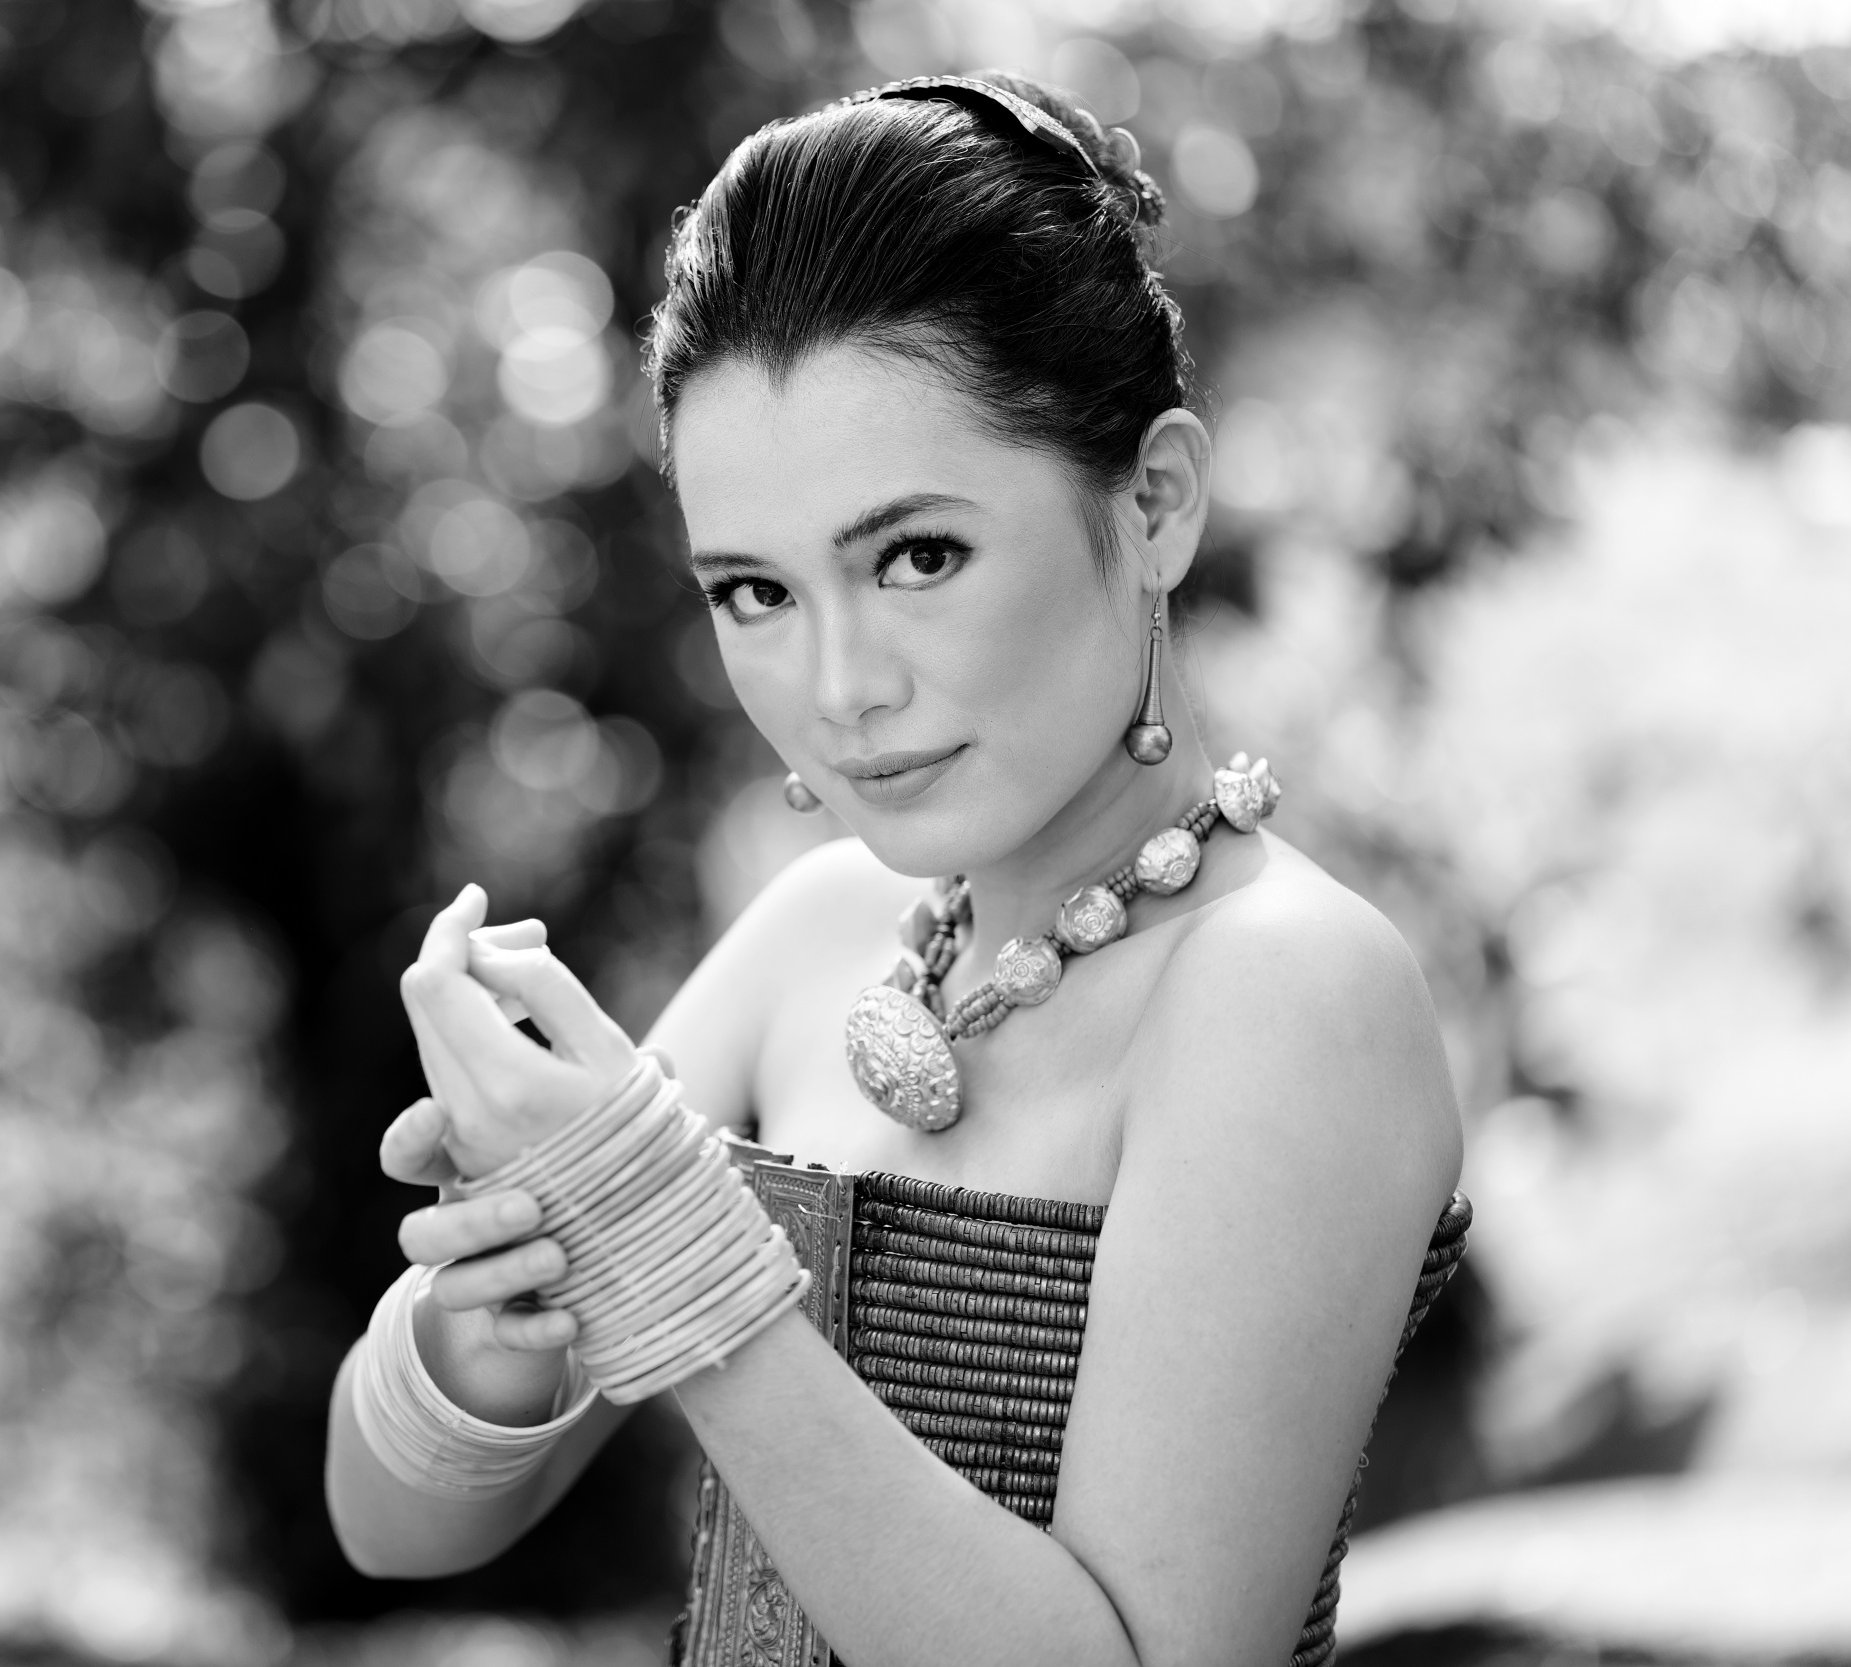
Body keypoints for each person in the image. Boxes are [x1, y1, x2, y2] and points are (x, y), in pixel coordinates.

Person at [324, 70, 1465, 1667]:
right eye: (756, 593)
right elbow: (391, 1526)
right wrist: (491, 1314)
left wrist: (671, 1254)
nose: (839, 685)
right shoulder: (815, 936)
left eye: (917, 556)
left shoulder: (1284, 989)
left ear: (1153, 503)